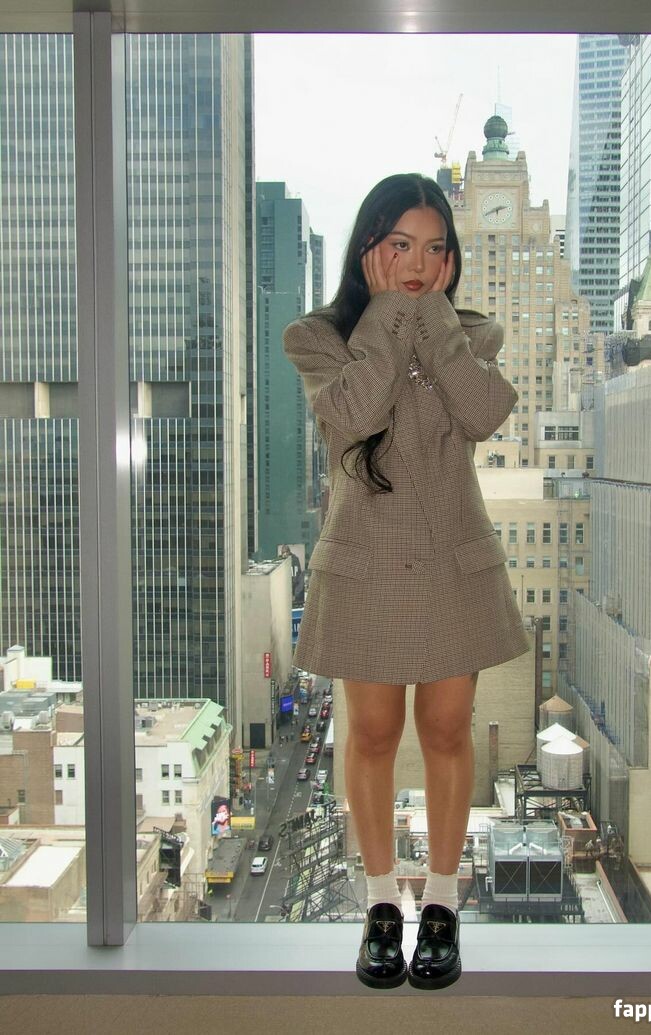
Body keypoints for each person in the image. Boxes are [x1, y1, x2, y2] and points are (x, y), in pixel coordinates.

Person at [283, 173, 531, 991]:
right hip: (366, 563)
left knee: (451, 731)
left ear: (453, 260)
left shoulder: (474, 333)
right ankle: (383, 904)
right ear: (369, 250)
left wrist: (433, 326)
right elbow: (354, 415)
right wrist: (391, 315)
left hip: (454, 561)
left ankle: (445, 906)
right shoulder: (317, 337)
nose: (419, 264)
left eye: (434, 248)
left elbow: (483, 412)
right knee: (373, 734)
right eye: (400, 246)